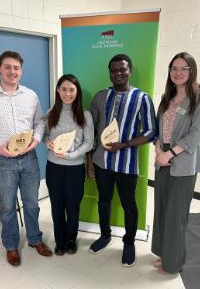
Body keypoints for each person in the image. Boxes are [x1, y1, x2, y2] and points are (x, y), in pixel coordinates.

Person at [0, 50, 52, 267]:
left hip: (29, 158)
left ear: (21, 70)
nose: (12, 71)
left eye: (16, 67)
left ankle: (35, 239)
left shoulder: (31, 96)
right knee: (7, 205)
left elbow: (40, 123)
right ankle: (11, 245)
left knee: (32, 202)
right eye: (7, 67)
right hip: (2, 160)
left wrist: (36, 140)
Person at [87, 54, 156, 266]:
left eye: (122, 69)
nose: (118, 73)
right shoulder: (100, 97)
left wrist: (124, 144)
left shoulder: (142, 98)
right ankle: (105, 236)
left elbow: (152, 131)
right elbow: (91, 131)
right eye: (114, 70)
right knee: (104, 201)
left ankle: (129, 243)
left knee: (129, 205)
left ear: (130, 71)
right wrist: (89, 162)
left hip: (127, 164)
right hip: (101, 163)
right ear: (110, 72)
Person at [151, 52, 200, 274]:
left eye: (183, 68)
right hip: (162, 161)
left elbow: (196, 133)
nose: (177, 73)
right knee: (162, 210)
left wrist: (170, 154)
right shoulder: (166, 98)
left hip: (182, 163)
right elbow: (158, 129)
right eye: (173, 68)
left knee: (176, 215)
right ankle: (165, 253)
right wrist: (158, 149)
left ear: (191, 70)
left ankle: (173, 263)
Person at [44, 74, 94, 256]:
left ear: (77, 92)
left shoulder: (85, 115)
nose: (67, 93)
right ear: (58, 90)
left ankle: (71, 239)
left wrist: (70, 155)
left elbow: (89, 143)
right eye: (64, 89)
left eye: (71, 90)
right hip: (54, 168)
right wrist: (47, 143)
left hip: (74, 169)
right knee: (57, 206)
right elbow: (43, 135)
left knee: (73, 206)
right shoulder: (51, 113)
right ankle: (60, 241)